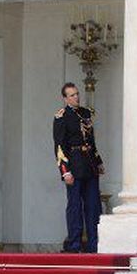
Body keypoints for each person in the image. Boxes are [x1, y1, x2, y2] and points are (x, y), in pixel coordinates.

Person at [53, 83, 104, 253]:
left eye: (77, 94)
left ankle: (93, 243)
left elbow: (91, 141)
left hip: (89, 164)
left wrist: (98, 161)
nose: (76, 97)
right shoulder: (61, 117)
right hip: (74, 164)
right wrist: (64, 170)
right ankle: (74, 244)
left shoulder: (85, 113)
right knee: (75, 206)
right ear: (65, 98)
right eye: (72, 95)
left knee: (93, 206)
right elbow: (59, 146)